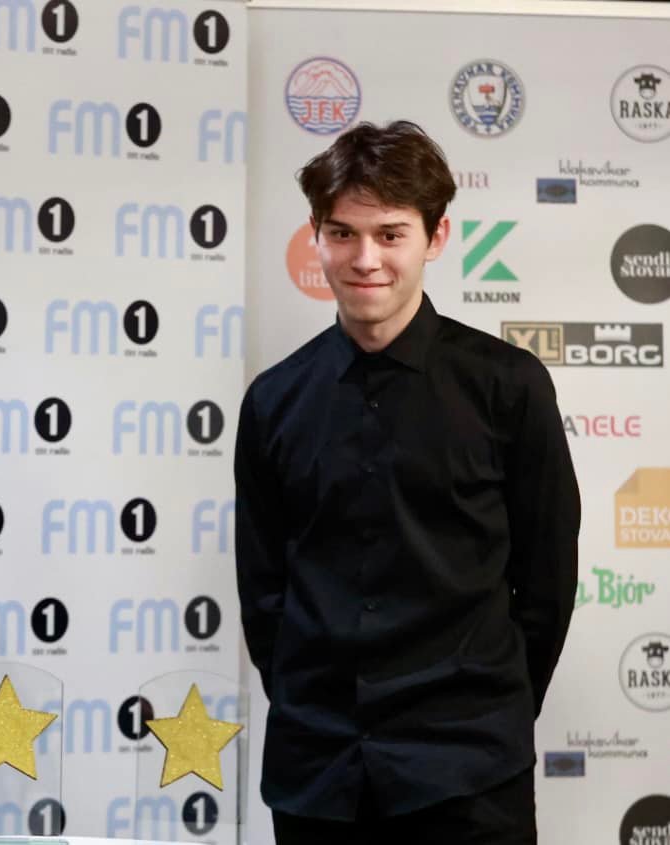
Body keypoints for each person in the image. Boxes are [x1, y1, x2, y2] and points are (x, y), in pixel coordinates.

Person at [234, 121, 579, 844]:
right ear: (316, 237)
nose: (365, 259)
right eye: (342, 233)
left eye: (390, 234)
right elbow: (263, 589)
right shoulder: (274, 399)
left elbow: (546, 580)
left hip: (469, 775)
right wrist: (306, 700)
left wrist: (494, 712)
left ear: (435, 237)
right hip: (317, 773)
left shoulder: (508, 386)